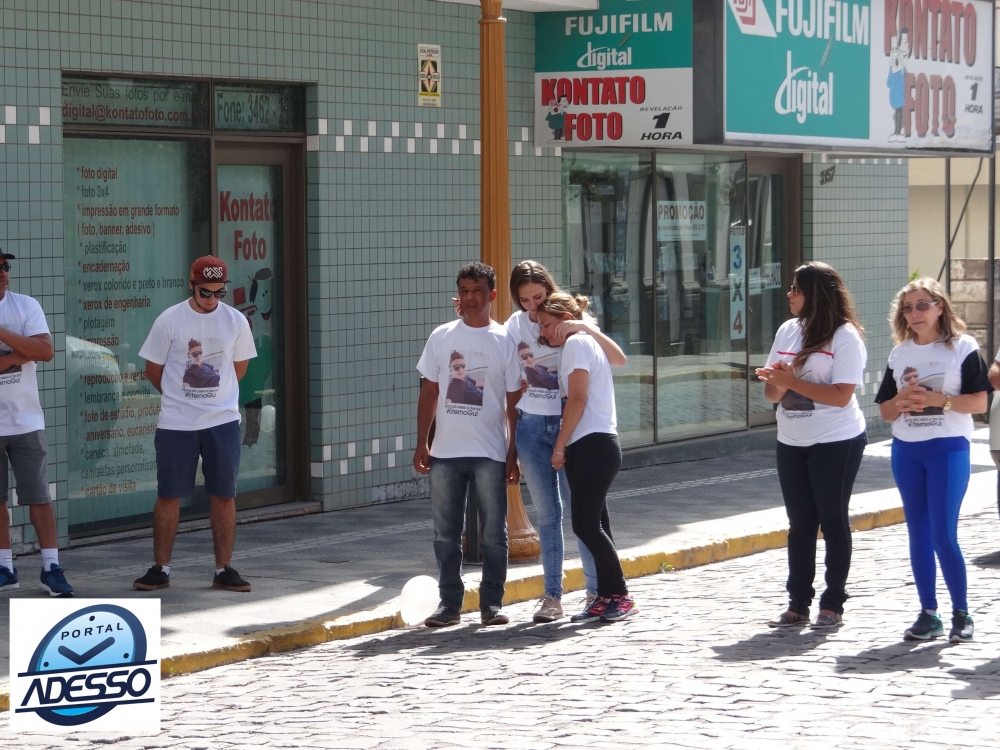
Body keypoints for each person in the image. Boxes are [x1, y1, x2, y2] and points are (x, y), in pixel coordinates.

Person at [505, 260, 626, 623]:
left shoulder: (567, 321)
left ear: (549, 291)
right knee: (548, 515)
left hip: (571, 428)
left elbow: (616, 359)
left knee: (583, 514)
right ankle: (552, 596)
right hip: (532, 424)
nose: (531, 307)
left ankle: (597, 590)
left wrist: (579, 325)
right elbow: (506, 371)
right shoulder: (515, 325)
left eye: (537, 297)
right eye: (523, 300)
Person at [874, 277, 990, 643]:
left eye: (922, 305)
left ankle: (961, 612)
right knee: (918, 533)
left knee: (943, 532)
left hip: (948, 447)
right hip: (907, 449)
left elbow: (981, 403)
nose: (915, 313)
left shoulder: (962, 347)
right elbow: (886, 412)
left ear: (940, 306)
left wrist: (941, 400)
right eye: (908, 308)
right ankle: (929, 613)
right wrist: (900, 403)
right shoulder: (899, 354)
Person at [133, 256, 257, 593]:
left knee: (224, 494)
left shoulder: (235, 322)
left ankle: (223, 569)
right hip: (177, 422)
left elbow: (239, 369)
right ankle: (160, 568)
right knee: (169, 494)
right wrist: (180, 398)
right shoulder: (170, 320)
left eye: (219, 293)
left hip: (222, 421)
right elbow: (153, 371)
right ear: (192, 285)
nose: (212, 299)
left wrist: (214, 398)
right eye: (205, 292)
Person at [755, 262, 867, 630]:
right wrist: (777, 381)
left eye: (796, 289)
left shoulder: (845, 336)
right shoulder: (787, 330)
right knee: (800, 524)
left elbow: (839, 396)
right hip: (790, 438)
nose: (789, 295)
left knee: (833, 520)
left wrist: (792, 380)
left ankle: (833, 601)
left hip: (836, 439)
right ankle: (797, 602)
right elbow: (773, 392)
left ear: (815, 294)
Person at [414, 262, 522, 627]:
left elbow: (513, 402)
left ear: (491, 295)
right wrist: (422, 443)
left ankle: (492, 603)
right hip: (445, 452)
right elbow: (429, 391)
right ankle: (450, 605)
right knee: (444, 534)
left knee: (494, 532)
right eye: (464, 290)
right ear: (457, 295)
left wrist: (513, 452)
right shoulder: (442, 336)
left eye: (477, 291)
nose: (470, 297)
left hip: (489, 452)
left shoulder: (505, 340)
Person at [537, 292, 636, 623]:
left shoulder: (579, 343)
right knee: (597, 522)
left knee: (584, 523)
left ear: (566, 320)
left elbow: (577, 399)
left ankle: (620, 594)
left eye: (548, 325)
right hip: (588, 443)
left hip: (593, 441)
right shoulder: (577, 345)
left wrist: (559, 445)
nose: (544, 333)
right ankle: (606, 595)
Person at [0, 249, 71, 596]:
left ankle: (51, 566)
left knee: (39, 498)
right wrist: (20, 352)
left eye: (5, 266)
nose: (2, 272)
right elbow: (32, 351)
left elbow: (45, 352)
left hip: (26, 421)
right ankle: (4, 566)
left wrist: (4, 337)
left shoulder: (25, 305)